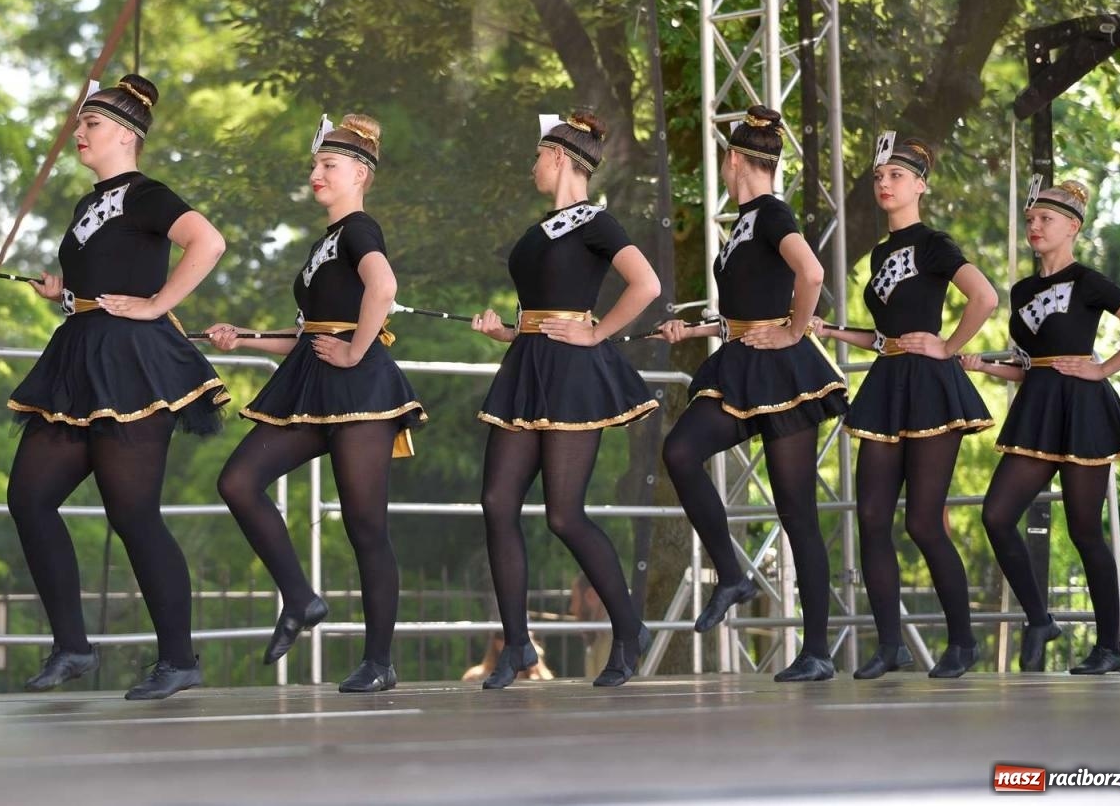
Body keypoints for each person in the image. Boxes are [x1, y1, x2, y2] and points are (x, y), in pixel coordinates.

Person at [6, 74, 228, 701]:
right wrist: (65, 295)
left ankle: (179, 659)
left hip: (132, 363)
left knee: (132, 513)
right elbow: (105, 276)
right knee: (28, 496)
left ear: (126, 133)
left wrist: (159, 303)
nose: (79, 133)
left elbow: (207, 242)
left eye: (91, 124)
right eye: (80, 124)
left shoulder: (149, 194)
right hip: (78, 358)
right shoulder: (86, 206)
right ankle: (73, 646)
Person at [209, 113, 426, 693]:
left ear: (359, 173)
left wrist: (357, 351)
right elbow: (306, 335)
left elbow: (384, 289)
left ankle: (379, 661)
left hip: (359, 388)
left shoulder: (359, 229)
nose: (315, 174)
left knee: (364, 525)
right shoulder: (327, 240)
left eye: (327, 165)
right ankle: (301, 597)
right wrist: (245, 338)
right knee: (238, 481)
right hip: (314, 378)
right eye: (314, 165)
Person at [469, 111, 661, 689]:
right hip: (529, 361)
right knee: (497, 501)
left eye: (536, 156)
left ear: (557, 158)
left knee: (563, 514)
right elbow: (546, 301)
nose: (531, 166)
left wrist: (597, 333)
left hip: (574, 372)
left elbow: (646, 284)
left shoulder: (596, 223)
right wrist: (509, 330)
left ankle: (628, 630)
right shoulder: (543, 228)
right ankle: (517, 644)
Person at [659, 106, 848, 682]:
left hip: (783, 368)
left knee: (798, 512)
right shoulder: (743, 222)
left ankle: (816, 650)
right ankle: (733, 574)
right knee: (680, 452)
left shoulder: (770, 213)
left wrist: (794, 331)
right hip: (740, 357)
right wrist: (699, 329)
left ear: (735, 159)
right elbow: (748, 302)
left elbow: (811, 274)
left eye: (724, 157)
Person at [811, 137, 995, 679]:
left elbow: (984, 298)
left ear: (920, 184)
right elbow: (886, 337)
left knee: (922, 520)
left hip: (931, 388)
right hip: (888, 381)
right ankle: (890, 644)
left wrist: (949, 345)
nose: (885, 184)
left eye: (896, 175)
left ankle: (962, 642)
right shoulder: (881, 253)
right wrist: (832, 330)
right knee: (870, 516)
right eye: (878, 177)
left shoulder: (934, 244)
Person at [963, 179, 1120, 675]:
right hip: (1037, 407)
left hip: (1082, 409)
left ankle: (1110, 645)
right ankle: (1039, 618)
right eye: (1030, 220)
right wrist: (988, 368)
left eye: (1044, 220)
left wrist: (1102, 368)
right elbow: (1031, 363)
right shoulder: (1022, 290)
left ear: (1071, 227)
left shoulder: (1089, 281)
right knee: (997, 514)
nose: (1034, 227)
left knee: (1085, 529)